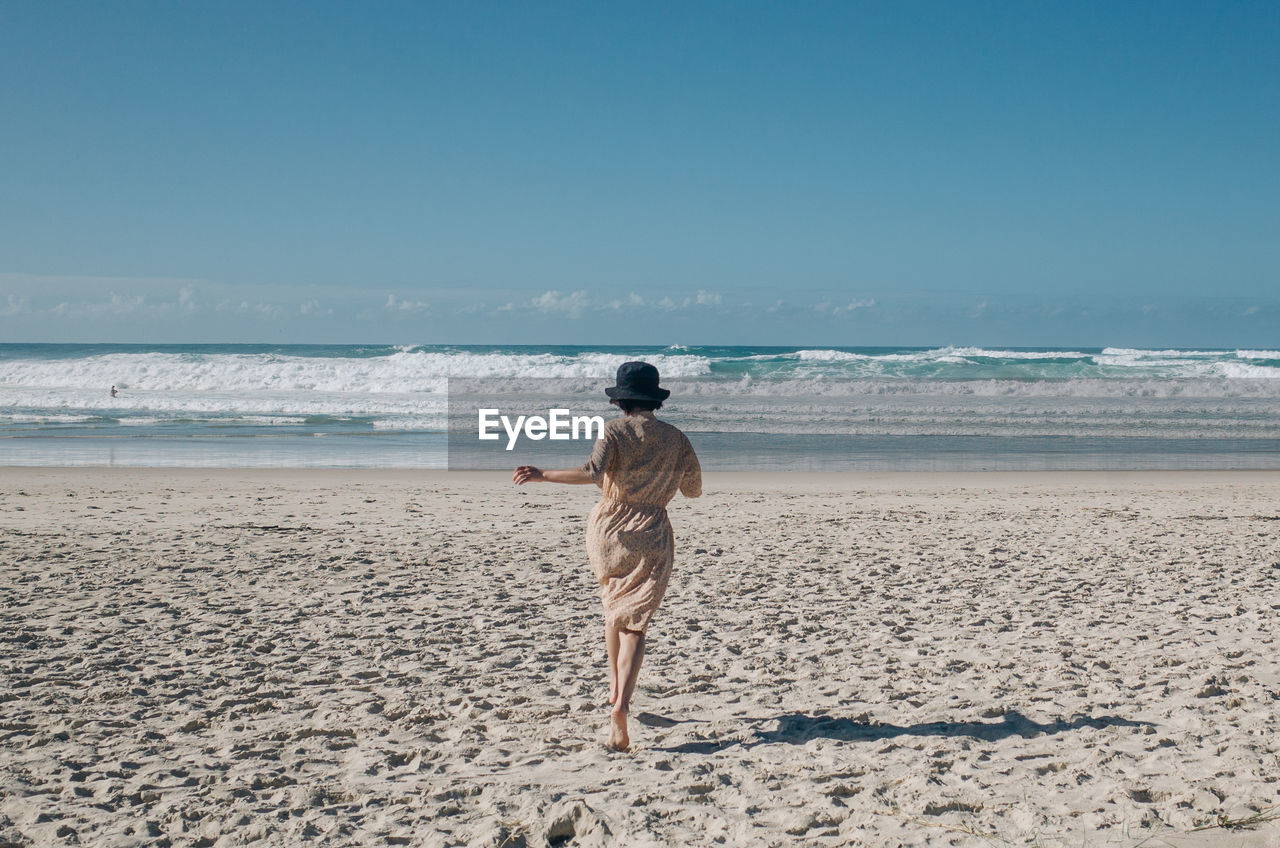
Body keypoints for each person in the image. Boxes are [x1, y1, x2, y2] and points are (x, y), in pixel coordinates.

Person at [513, 361, 702, 750]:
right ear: (655, 398)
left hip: (607, 528)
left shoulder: (612, 431)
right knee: (636, 623)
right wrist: (661, 478)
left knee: (613, 610)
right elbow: (694, 489)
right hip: (650, 530)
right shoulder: (676, 438)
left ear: (621, 400)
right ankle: (621, 705)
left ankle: (614, 689)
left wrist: (542, 474)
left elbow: (593, 472)